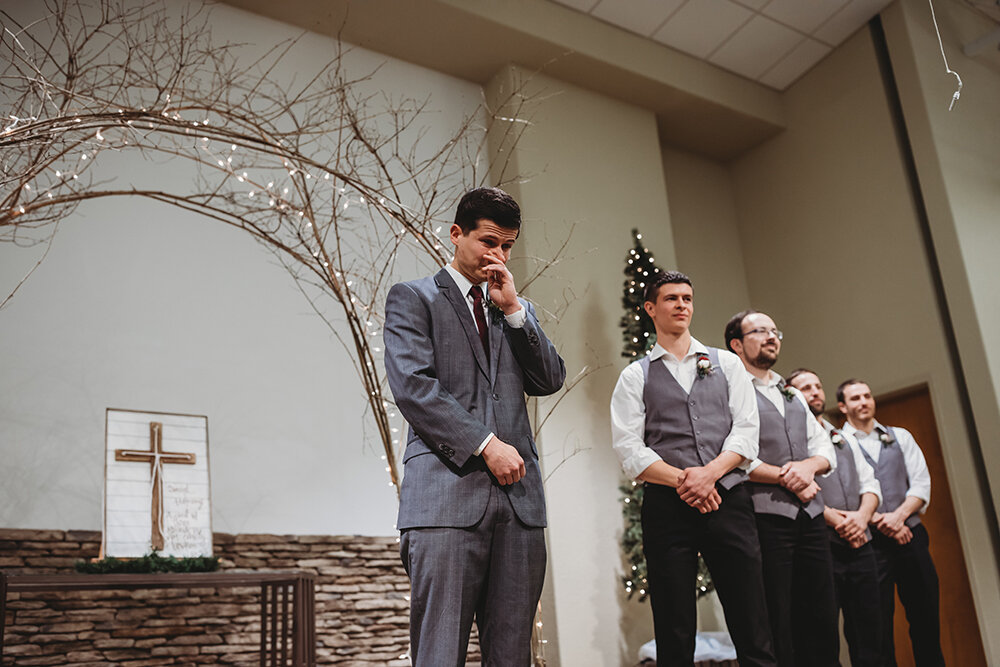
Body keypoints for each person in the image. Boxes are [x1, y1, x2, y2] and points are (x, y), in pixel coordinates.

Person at [383, 187, 566, 666]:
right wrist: (486, 445)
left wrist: (513, 311)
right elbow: (414, 388)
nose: (498, 255)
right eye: (488, 241)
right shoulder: (413, 297)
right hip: (445, 502)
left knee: (512, 657)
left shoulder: (509, 309)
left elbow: (550, 379)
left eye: (507, 246)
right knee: (440, 654)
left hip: (519, 509)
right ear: (456, 234)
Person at [611, 272, 776, 667]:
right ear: (650, 308)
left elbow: (747, 432)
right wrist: (686, 480)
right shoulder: (636, 376)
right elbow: (629, 449)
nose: (682, 304)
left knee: (751, 617)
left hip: (730, 500)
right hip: (668, 508)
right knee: (674, 623)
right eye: (671, 298)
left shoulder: (728, 364)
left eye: (687, 297)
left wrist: (709, 475)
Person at [725, 311, 839, 667]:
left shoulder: (791, 392)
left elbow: (823, 448)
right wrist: (787, 477)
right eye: (759, 331)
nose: (771, 337)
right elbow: (734, 453)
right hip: (765, 517)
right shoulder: (730, 388)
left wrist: (807, 469)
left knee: (821, 612)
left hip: (811, 517)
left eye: (775, 331)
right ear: (737, 344)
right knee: (778, 613)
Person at [837, 379, 944, 667]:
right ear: (842, 406)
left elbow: (920, 483)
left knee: (925, 618)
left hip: (911, 535)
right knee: (875, 626)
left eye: (867, 395)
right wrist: (877, 520)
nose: (864, 402)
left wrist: (897, 517)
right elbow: (846, 491)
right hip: (868, 544)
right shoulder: (839, 443)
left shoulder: (901, 437)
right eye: (855, 398)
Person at [787, 368, 883, 667]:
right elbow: (796, 487)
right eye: (805, 388)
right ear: (790, 396)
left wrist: (861, 518)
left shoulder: (842, 437)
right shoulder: (793, 438)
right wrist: (836, 521)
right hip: (821, 544)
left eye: (817, 386)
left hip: (860, 544)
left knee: (870, 628)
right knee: (821, 631)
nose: (815, 392)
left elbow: (870, 482)